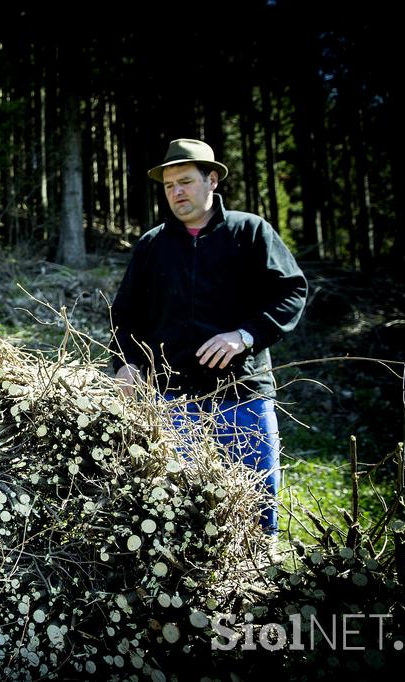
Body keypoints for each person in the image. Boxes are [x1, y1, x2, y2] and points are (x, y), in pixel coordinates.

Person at [110, 138, 308, 540]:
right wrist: (127, 363)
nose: (176, 192)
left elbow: (292, 292)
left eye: (185, 181)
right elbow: (124, 316)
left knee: (257, 507)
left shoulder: (249, 231)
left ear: (212, 180)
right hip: (173, 402)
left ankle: (258, 587)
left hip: (243, 396)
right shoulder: (152, 246)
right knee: (181, 510)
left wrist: (246, 335)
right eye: (169, 186)